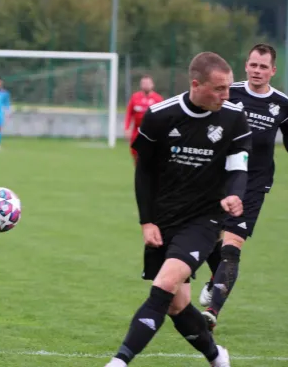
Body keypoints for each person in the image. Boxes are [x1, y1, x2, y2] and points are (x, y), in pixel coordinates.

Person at [105, 52, 252, 367]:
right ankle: (216, 356)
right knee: (177, 305)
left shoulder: (233, 117)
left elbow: (239, 163)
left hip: (204, 219)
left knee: (165, 285)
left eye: (228, 87)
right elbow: (143, 172)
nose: (226, 95)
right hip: (164, 218)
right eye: (219, 89)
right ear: (196, 84)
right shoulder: (160, 115)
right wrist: (147, 222)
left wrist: (235, 194)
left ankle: (119, 362)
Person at [198, 43, 288, 331]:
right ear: (245, 65)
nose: (257, 71)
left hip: (254, 183)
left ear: (273, 71)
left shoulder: (282, 103)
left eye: (263, 66)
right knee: (206, 236)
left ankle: (212, 311)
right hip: (220, 175)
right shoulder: (230, 93)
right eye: (253, 65)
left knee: (232, 246)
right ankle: (216, 280)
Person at [124, 75, 164, 164]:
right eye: (143, 83)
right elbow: (129, 114)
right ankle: (139, 170)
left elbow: (163, 116)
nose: (145, 85)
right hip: (137, 130)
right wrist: (127, 128)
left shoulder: (158, 99)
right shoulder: (135, 97)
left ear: (152, 85)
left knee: (150, 154)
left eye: (147, 83)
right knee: (135, 152)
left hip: (152, 131)